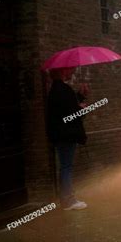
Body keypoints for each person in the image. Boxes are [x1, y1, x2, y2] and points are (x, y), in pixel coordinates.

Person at [46, 67, 88, 210]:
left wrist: (80, 96)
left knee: (64, 166)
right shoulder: (64, 90)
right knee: (66, 167)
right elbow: (72, 114)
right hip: (67, 134)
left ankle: (65, 199)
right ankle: (69, 201)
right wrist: (82, 108)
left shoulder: (55, 90)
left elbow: (65, 109)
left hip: (60, 134)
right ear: (62, 72)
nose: (72, 72)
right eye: (69, 70)